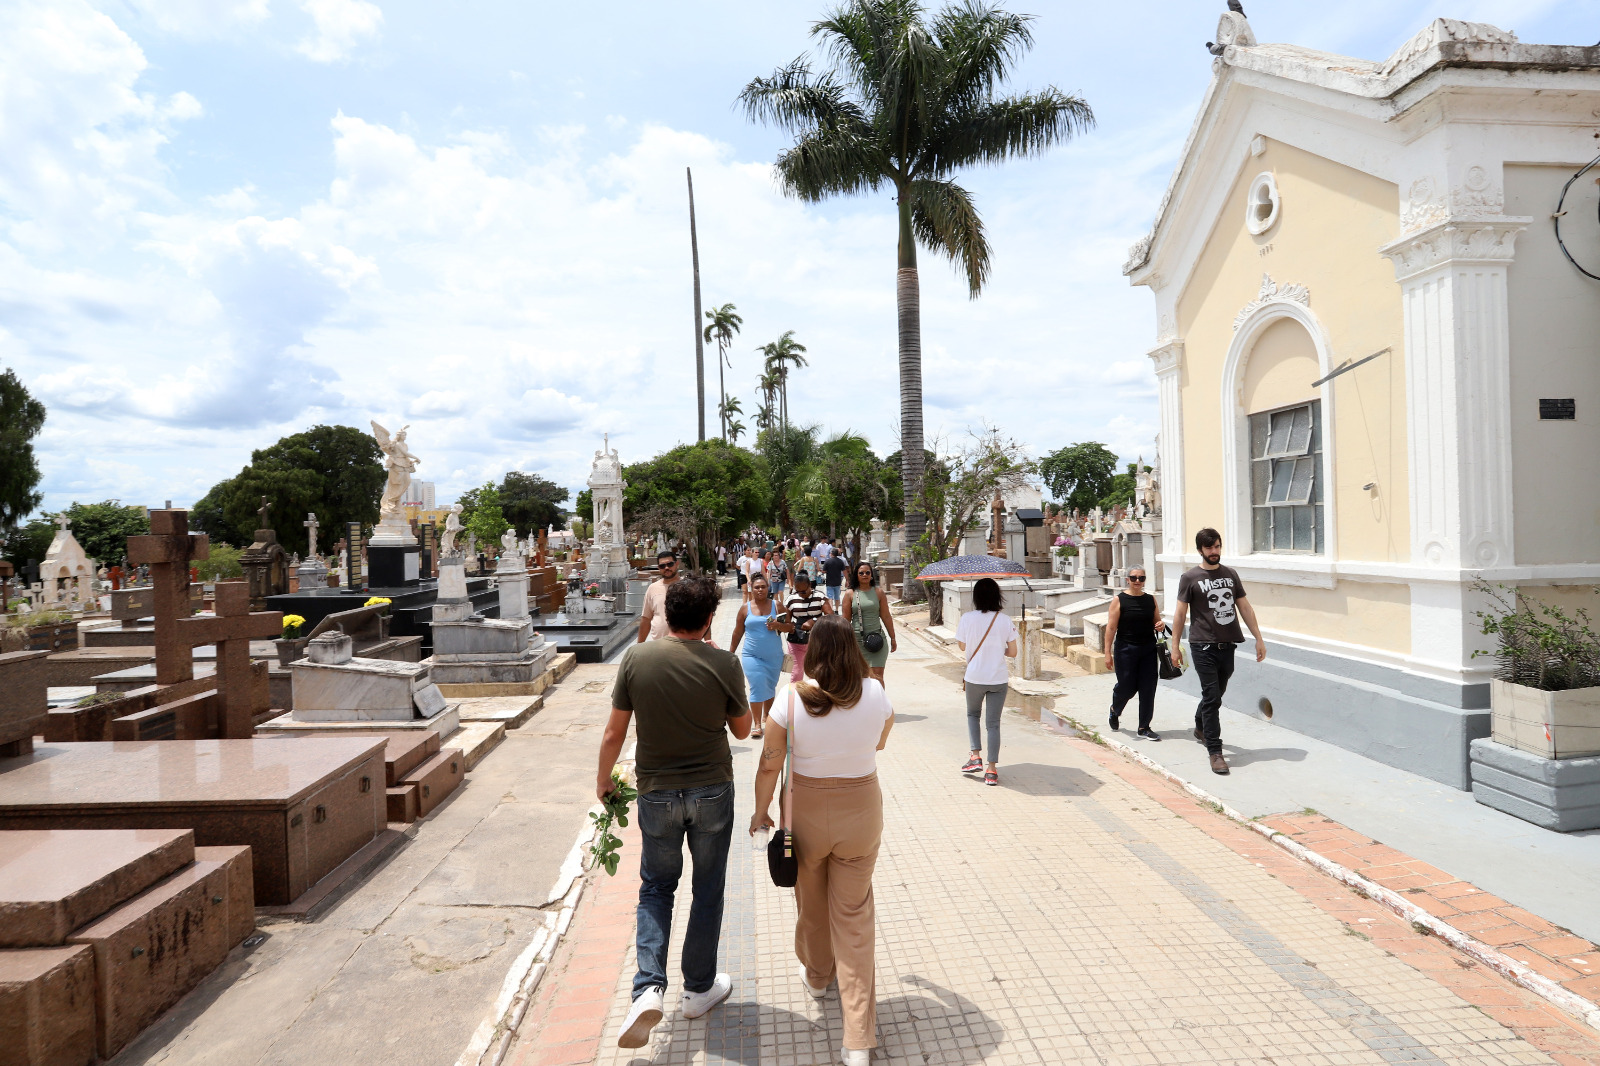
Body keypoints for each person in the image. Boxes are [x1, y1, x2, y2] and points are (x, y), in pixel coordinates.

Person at [595, 572, 751, 1048]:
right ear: (708, 620)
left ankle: (647, 989)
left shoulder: (637, 658)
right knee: (707, 890)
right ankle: (698, 990)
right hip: (711, 792)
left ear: (667, 615)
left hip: (656, 792)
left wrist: (603, 781)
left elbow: (613, 733)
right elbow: (743, 731)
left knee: (656, 888)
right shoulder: (724, 663)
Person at [749, 616, 894, 1066]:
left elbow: (770, 764)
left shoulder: (791, 700)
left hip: (807, 811)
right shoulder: (875, 692)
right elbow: (882, 743)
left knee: (809, 901)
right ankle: (856, 1040)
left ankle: (817, 976)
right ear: (852, 650)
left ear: (811, 652)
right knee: (853, 917)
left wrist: (760, 811)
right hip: (861, 807)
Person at [1170, 528, 1266, 775]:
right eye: (1210, 548)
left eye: (1217, 547)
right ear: (1200, 549)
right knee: (1212, 696)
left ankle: (1201, 725)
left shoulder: (1230, 575)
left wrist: (1259, 638)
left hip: (1228, 645)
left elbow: (1244, 607)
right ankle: (1215, 751)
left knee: (1216, 694)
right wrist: (1174, 646)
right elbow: (1180, 613)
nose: (1215, 552)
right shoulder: (1189, 578)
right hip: (1202, 645)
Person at [955, 577, 1019, 786]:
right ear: (997, 596)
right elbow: (1013, 652)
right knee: (993, 724)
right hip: (998, 678)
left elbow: (962, 647)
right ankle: (991, 770)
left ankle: (975, 756)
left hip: (974, 677)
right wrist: (996, 647)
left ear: (976, 597)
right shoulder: (1004, 620)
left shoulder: (967, 618)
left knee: (973, 714)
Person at [1104, 567, 1164, 740]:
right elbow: (1111, 627)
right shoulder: (1119, 600)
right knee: (1127, 687)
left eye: (1141, 577)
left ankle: (1144, 727)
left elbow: (1157, 621)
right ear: (1127, 580)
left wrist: (1160, 625)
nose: (1138, 581)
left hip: (1148, 649)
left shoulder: (1150, 599)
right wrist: (1107, 653)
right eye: (1134, 577)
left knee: (1148, 688)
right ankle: (1115, 709)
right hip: (1126, 649)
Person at [729, 572, 788, 738]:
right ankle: (756, 724)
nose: (760, 590)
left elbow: (790, 627)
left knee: (769, 686)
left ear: (768, 588)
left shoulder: (778, 606)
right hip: (751, 655)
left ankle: (767, 717)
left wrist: (778, 625)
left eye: (763, 587)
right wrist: (730, 654)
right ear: (751, 589)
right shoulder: (744, 609)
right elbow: (737, 632)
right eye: (757, 587)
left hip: (774, 656)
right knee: (757, 685)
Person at [841, 561, 896, 686]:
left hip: (877, 640)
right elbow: (845, 620)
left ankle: (879, 704)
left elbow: (886, 616)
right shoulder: (850, 594)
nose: (865, 575)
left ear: (871, 575)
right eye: (861, 573)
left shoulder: (878, 592)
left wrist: (892, 637)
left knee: (877, 678)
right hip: (857, 642)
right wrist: (843, 642)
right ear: (857, 575)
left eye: (867, 572)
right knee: (860, 679)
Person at [784, 569, 832, 682]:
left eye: (804, 591)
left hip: (817, 641)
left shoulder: (820, 597)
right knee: (796, 673)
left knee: (815, 673)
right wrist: (790, 627)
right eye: (798, 591)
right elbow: (787, 621)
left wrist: (814, 621)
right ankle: (794, 697)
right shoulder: (791, 600)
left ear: (810, 585)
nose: (801, 594)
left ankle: (814, 697)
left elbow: (830, 616)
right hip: (797, 641)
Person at [636, 551, 680, 643]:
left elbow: (703, 617)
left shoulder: (688, 587)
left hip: (684, 645)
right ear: (658, 568)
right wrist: (639, 645)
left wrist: (708, 640)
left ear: (677, 564)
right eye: (662, 566)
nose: (666, 568)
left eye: (670, 564)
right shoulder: (653, 588)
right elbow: (646, 618)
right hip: (659, 645)